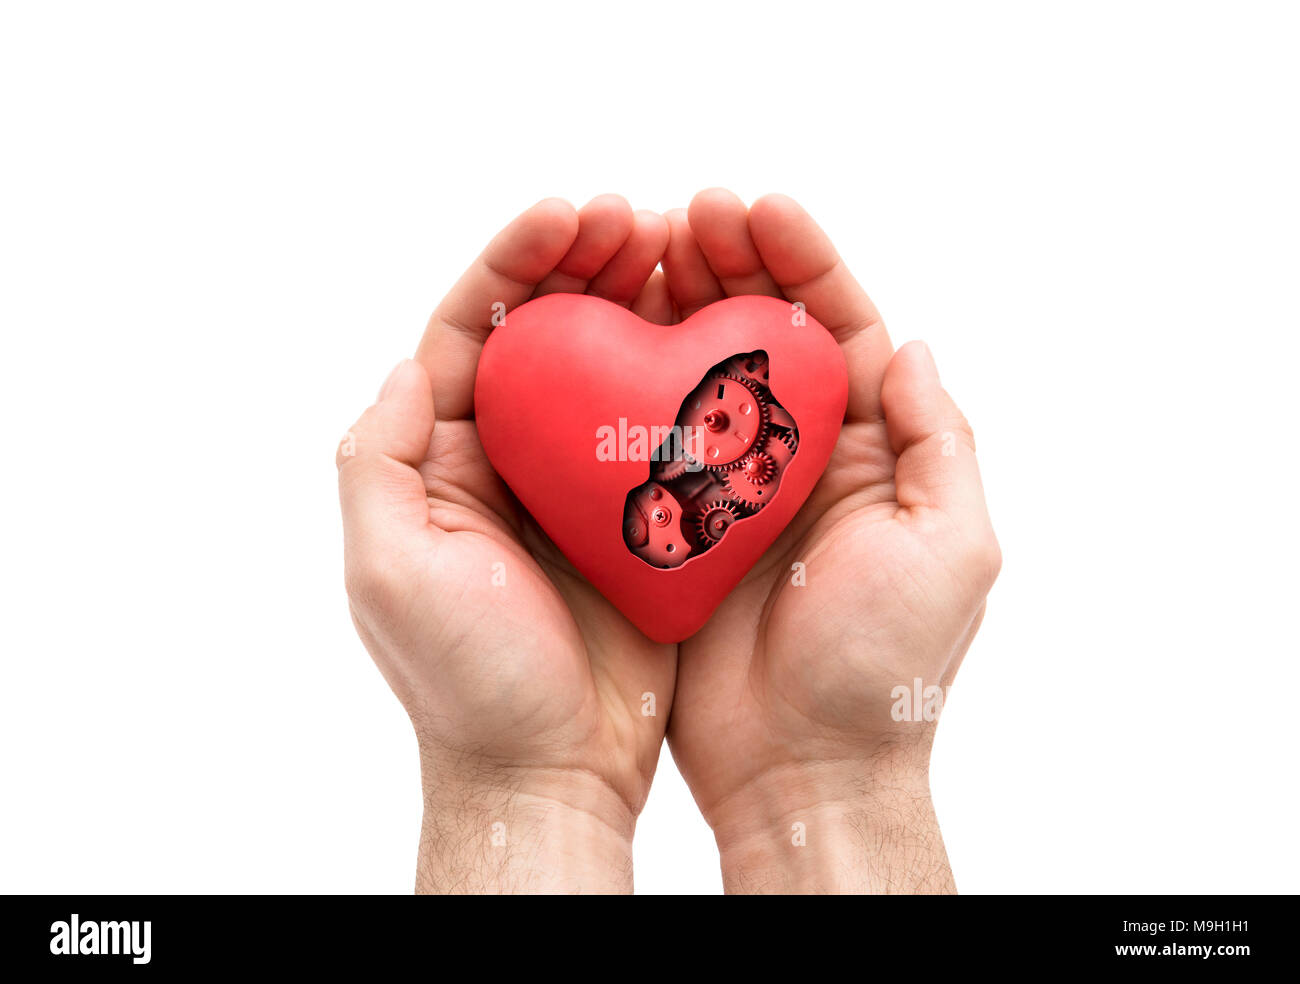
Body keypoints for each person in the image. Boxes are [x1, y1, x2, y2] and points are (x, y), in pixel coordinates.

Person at [336, 189, 1001, 893]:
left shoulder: (724, 475)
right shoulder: (672, 470)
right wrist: (837, 790)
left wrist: (516, 788)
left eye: (730, 424)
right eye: (714, 413)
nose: (711, 427)